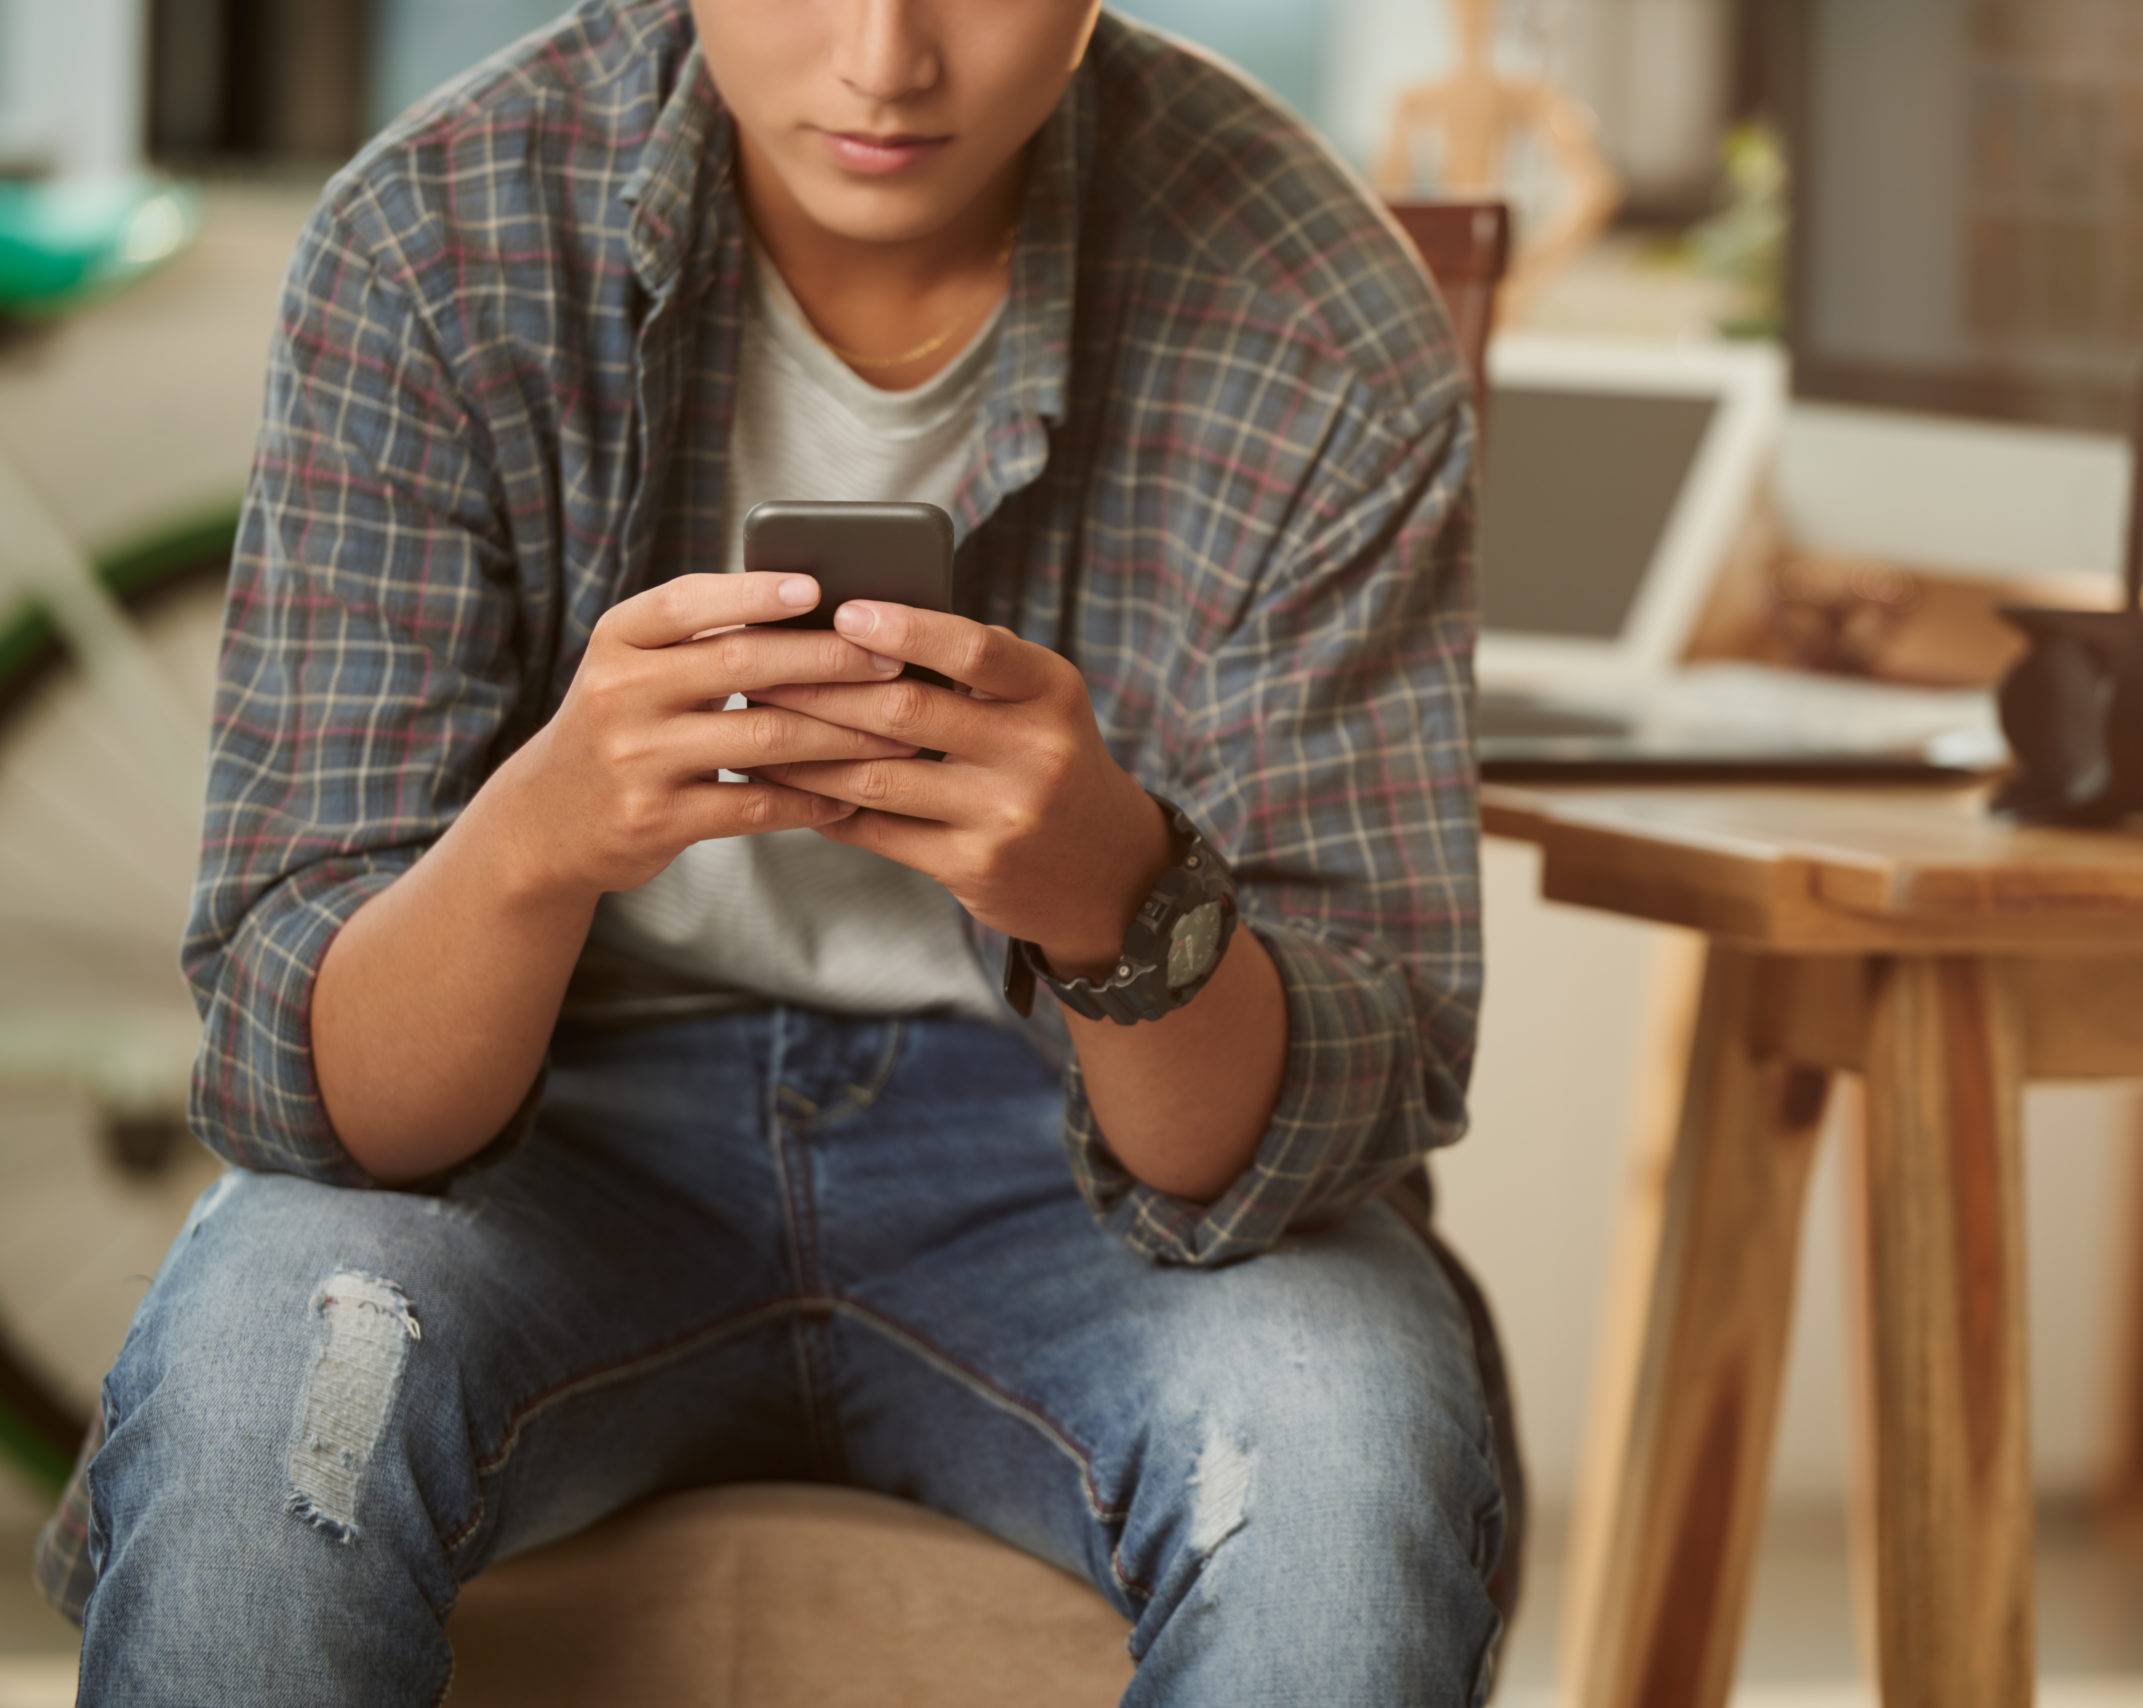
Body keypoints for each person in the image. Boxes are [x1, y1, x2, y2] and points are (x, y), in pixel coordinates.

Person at [30, 1, 1516, 1702]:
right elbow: (332, 1112)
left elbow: (1313, 1121)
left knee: (1345, 1431)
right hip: (553, 1142)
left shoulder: (1312, 303)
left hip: (1070, 1160)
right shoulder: (435, 240)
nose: (886, 59)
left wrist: (1117, 897)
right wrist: (535, 840)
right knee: (261, 1375)